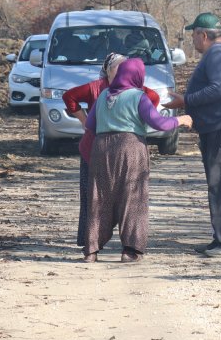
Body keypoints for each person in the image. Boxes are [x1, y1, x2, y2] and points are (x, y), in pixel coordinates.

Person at [82, 58, 192, 263]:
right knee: (133, 197)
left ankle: (91, 250)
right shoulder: (138, 97)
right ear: (137, 76)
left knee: (99, 197)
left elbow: (89, 123)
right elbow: (158, 123)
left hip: (101, 149)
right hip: (129, 147)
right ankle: (130, 251)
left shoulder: (104, 94)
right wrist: (181, 119)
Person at [163, 12, 221, 257]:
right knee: (216, 185)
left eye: (193, 35)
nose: (192, 40)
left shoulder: (218, 54)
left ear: (203, 34)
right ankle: (220, 238)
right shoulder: (217, 54)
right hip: (216, 128)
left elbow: (219, 89)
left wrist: (185, 100)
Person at [62, 53, 160, 249]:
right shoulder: (97, 88)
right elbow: (69, 96)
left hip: (124, 151)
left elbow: (154, 99)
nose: (122, 70)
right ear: (107, 70)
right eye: (117, 67)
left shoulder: (137, 91)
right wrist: (83, 120)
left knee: (127, 195)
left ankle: (126, 242)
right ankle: (88, 240)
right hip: (94, 150)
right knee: (93, 196)